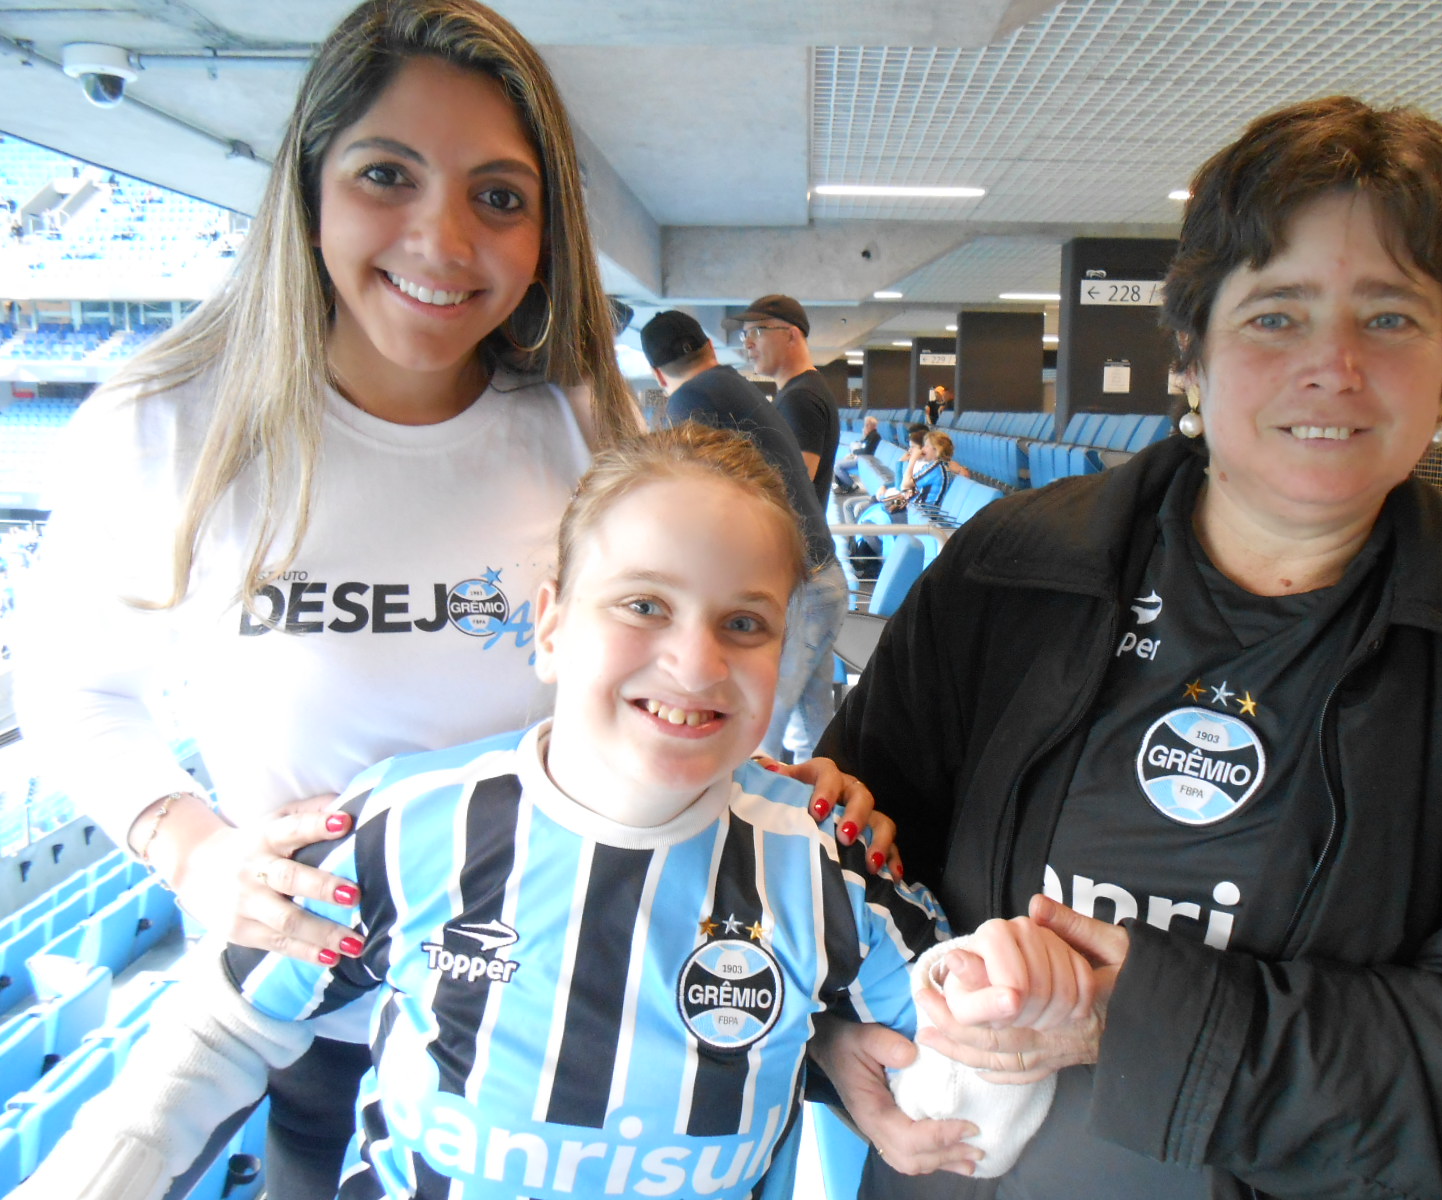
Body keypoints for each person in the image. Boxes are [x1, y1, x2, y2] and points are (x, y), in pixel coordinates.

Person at [14, 3, 881, 1195]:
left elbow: (657, 686)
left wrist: (777, 806)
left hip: (600, 1028)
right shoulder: (170, 426)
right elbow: (72, 691)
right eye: (386, 175)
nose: (443, 240)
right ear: (310, 185)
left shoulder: (580, 426)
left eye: (499, 196)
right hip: (311, 1025)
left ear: (546, 233)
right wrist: (193, 849)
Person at [811, 95, 1442, 1199]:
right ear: (1190, 352)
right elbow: (830, 865)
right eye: (1275, 315)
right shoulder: (1011, 571)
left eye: (1390, 317)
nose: (1333, 365)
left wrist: (1125, 1023)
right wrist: (832, 1044)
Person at [16, 425, 1058, 1200]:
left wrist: (1002, 1004)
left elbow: (963, 1110)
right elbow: (224, 1026)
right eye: (642, 603)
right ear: (552, 626)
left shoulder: (823, 858)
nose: (693, 661)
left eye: (743, 622)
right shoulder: (408, 824)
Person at [641, 309, 850, 775]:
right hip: (822, 580)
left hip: (799, 590)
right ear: (710, 350)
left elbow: (693, 508)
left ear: (658, 373)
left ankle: (751, 839)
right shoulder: (735, 387)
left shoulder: (688, 405)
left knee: (756, 731)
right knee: (816, 735)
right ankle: (825, 829)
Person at [726, 293, 840, 511]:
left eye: (757, 332)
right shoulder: (800, 392)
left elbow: (791, 493)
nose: (748, 343)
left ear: (791, 336)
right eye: (744, 335)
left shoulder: (800, 399)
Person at [834, 414, 881, 494]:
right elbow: (862, 444)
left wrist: (855, 452)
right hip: (861, 458)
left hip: (865, 460)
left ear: (872, 426)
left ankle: (852, 485)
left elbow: (866, 451)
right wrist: (864, 435)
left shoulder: (875, 436)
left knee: (837, 466)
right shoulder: (869, 435)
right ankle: (843, 486)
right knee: (838, 463)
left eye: (867, 425)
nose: (865, 427)